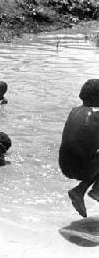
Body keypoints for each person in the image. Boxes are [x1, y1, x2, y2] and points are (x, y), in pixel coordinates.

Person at [59, 79, 99, 218]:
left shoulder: (73, 111)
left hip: (64, 167)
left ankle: (80, 191)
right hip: (83, 169)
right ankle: (96, 190)